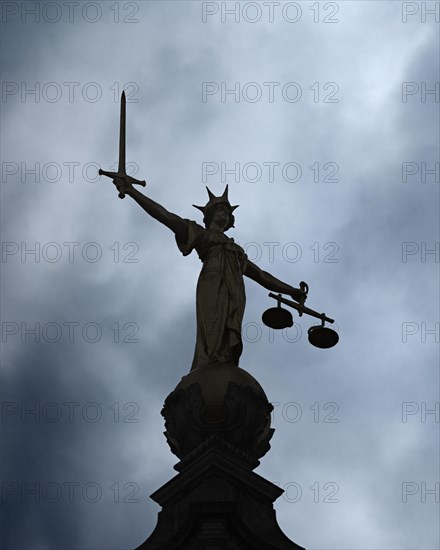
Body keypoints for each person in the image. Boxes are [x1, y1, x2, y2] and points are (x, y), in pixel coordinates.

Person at [112, 178, 306, 371]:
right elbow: (166, 216)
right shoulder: (200, 233)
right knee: (212, 327)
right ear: (211, 215)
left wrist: (291, 291)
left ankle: (224, 363)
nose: (226, 213)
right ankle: (207, 365)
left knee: (229, 333)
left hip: (235, 290)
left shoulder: (236, 250)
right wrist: (133, 192)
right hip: (212, 282)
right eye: (222, 209)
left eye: (228, 212)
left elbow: (261, 275)